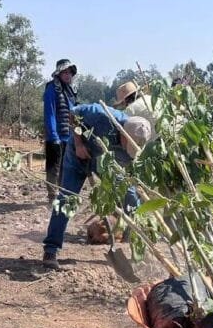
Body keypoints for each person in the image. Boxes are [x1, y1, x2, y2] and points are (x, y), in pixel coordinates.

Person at [41, 103, 151, 270]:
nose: (127, 150)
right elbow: (73, 114)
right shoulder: (102, 115)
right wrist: (78, 144)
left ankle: (137, 252)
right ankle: (51, 250)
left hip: (106, 166)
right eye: (126, 144)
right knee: (66, 199)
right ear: (122, 132)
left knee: (132, 199)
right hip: (77, 157)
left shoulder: (134, 143)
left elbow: (130, 173)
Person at [43, 59, 78, 202]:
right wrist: (53, 136)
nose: (67, 75)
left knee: (66, 167)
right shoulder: (52, 88)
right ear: (58, 73)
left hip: (68, 137)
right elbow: (49, 113)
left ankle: (62, 196)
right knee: (53, 168)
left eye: (69, 72)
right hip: (55, 137)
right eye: (64, 72)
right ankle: (52, 196)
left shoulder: (70, 91)